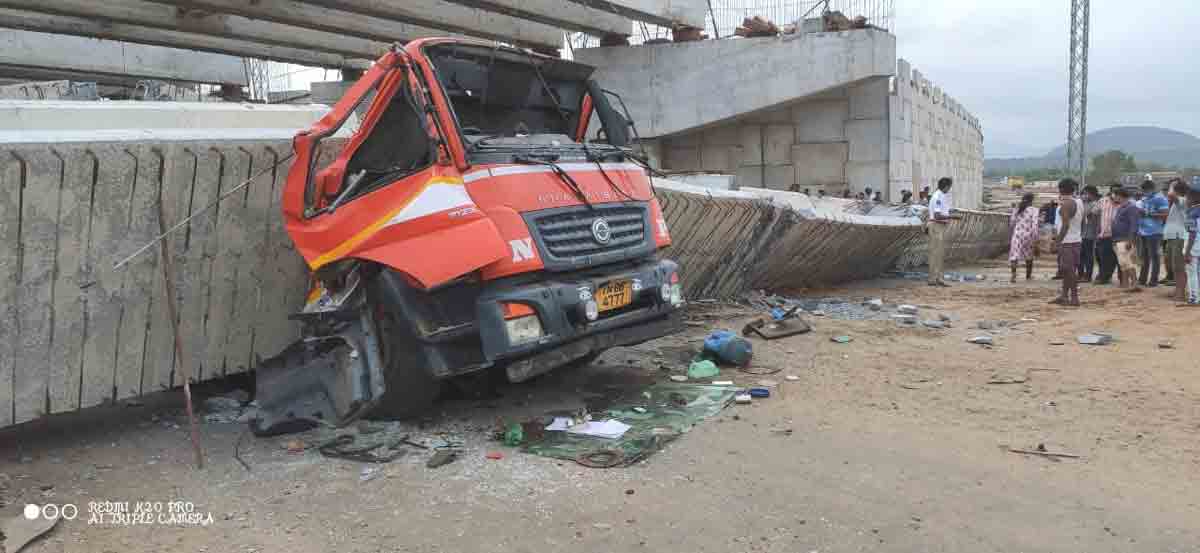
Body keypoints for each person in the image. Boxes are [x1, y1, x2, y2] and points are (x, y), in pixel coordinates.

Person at [1051, 179, 1083, 306]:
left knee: (1068, 270)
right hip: (1076, 240)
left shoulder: (1066, 205)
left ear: (1060, 189)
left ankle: (1074, 298)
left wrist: (1057, 242)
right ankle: (1064, 296)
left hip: (1067, 242)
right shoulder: (1079, 202)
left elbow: (1065, 226)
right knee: (1068, 270)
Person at [927, 177, 959, 287]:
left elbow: (942, 211)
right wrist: (952, 216)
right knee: (936, 253)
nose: (949, 189)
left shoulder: (940, 196)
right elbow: (937, 215)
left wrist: (951, 212)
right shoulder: (938, 197)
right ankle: (934, 278)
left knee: (939, 254)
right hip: (936, 225)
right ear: (946, 186)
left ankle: (937, 278)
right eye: (949, 187)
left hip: (939, 226)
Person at [1136, 179, 1169, 286]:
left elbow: (1164, 215)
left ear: (1152, 189)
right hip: (1143, 231)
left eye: (1146, 190)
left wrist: (1148, 214)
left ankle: (1153, 280)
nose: (1144, 192)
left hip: (1154, 232)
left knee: (1154, 257)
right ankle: (1142, 278)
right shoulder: (1145, 199)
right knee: (1144, 257)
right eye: (1143, 191)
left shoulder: (1160, 199)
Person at [1111, 187, 1143, 291]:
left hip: (1125, 238)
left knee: (1128, 262)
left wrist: (1130, 240)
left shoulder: (1131, 208)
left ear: (1120, 196)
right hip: (1118, 238)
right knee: (1122, 263)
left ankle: (1134, 283)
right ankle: (1125, 283)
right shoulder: (1121, 207)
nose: (1114, 197)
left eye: (1115, 195)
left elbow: (1134, 225)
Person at [1163, 179, 1190, 299]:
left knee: (1179, 266)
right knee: (1173, 265)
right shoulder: (1176, 202)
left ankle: (1180, 293)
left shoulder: (1183, 200)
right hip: (1172, 236)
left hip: (1179, 236)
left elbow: (1170, 195)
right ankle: (1177, 290)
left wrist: (1172, 185)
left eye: (1172, 188)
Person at [1008, 192, 1039, 283]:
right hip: (1028, 235)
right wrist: (1035, 238)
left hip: (1017, 234)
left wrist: (1015, 231)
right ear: (1032, 200)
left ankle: (1013, 275)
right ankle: (1028, 276)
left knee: (1014, 255)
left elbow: (1012, 223)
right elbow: (1035, 225)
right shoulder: (1034, 210)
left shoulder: (1017, 209)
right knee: (1029, 255)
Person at [1093, 184, 1121, 284]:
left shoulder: (1125, 203)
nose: (1116, 195)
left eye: (1118, 192)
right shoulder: (1103, 201)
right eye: (1114, 192)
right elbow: (1095, 213)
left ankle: (1122, 279)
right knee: (1103, 257)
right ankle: (1104, 277)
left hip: (1119, 236)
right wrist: (1097, 231)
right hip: (1104, 234)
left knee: (1119, 258)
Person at [1078, 185, 1101, 282]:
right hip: (1081, 233)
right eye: (1084, 194)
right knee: (1080, 256)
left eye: (1086, 194)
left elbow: (1089, 214)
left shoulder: (1096, 204)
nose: (1085, 196)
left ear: (1091, 194)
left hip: (1090, 234)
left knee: (1088, 256)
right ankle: (1080, 274)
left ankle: (1088, 275)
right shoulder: (1083, 203)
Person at [1185, 184, 1200, 305]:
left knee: (1192, 273)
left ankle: (1194, 298)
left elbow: (1192, 233)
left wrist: (1187, 251)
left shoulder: (1192, 212)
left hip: (1194, 247)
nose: (1186, 198)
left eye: (1188, 196)